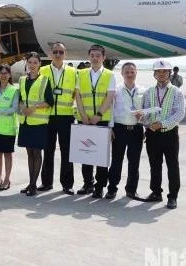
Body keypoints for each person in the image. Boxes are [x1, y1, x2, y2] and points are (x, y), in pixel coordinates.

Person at [139, 59, 185, 209]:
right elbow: (145, 112)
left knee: (172, 165)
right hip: (153, 135)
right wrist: (143, 119)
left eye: (164, 71)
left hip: (169, 134)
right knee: (155, 165)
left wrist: (162, 124)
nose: (161, 74)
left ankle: (173, 196)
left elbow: (179, 114)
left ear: (169, 73)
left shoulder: (177, 92)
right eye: (158, 71)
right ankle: (156, 192)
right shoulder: (148, 92)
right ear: (154, 74)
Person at [74, 44, 116, 198]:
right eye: (92, 55)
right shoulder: (82, 73)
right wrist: (83, 115)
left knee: (101, 156)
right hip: (84, 119)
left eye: (98, 55)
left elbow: (109, 96)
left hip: (102, 120)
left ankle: (100, 186)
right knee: (86, 153)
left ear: (103, 57)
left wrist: (99, 114)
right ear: (89, 57)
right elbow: (77, 95)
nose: (95, 58)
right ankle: (88, 183)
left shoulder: (110, 75)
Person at [38, 42, 78, 194]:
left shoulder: (73, 72)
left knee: (67, 151)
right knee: (47, 150)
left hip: (65, 116)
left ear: (65, 54)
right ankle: (46, 183)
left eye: (61, 52)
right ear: (50, 54)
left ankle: (67, 184)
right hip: (47, 116)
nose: (58, 55)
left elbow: (75, 93)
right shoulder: (42, 71)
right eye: (55, 52)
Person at [107, 62, 145, 200]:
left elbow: (146, 110)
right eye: (127, 72)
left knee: (134, 162)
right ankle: (112, 188)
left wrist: (144, 123)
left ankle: (131, 190)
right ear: (122, 74)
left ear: (136, 73)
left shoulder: (143, 90)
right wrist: (110, 127)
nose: (129, 74)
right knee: (116, 160)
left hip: (136, 129)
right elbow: (110, 109)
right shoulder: (116, 90)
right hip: (119, 128)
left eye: (132, 72)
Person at [17, 52, 53, 196]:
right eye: (30, 62)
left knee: (36, 153)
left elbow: (50, 101)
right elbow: (20, 99)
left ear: (40, 65)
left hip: (38, 122)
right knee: (29, 153)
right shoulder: (21, 80)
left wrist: (34, 108)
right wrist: (22, 108)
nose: (32, 65)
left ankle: (33, 185)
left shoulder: (44, 80)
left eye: (35, 63)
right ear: (26, 63)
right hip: (25, 121)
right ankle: (31, 182)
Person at [0, 64, 18, 191]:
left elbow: (14, 108)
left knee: (7, 155)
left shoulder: (14, 90)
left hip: (8, 128)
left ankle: (7, 179)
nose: (3, 75)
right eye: (1, 73)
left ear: (10, 75)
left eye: (6, 73)